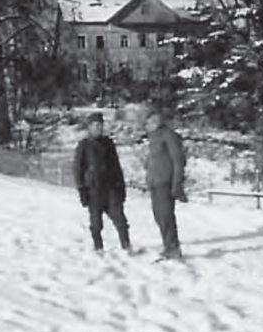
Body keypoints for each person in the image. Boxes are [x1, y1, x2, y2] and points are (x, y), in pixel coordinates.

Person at [73, 112, 132, 253]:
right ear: (89, 128)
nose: (98, 128)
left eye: (100, 125)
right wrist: (81, 189)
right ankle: (98, 247)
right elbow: (78, 169)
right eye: (95, 125)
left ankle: (126, 245)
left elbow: (116, 166)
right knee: (96, 222)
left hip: (111, 188)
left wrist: (121, 186)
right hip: (93, 189)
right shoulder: (84, 145)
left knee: (120, 219)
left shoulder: (109, 143)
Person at [144, 108, 187, 260]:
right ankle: (168, 245)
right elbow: (153, 159)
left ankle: (173, 248)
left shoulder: (169, 135)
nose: (149, 124)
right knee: (159, 216)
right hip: (155, 182)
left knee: (166, 216)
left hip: (166, 182)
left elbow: (178, 160)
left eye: (152, 121)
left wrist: (177, 183)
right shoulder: (153, 138)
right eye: (149, 121)